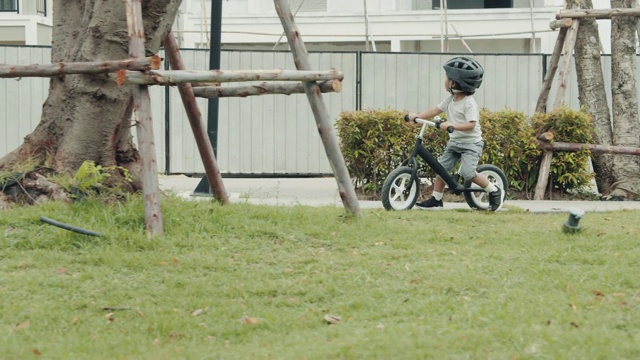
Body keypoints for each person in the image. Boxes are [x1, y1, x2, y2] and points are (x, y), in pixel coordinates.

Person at [406, 56, 504, 212]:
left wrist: (452, 125)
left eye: (447, 78)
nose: (445, 80)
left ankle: (494, 190)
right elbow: (435, 110)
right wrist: (417, 116)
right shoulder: (450, 99)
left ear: (455, 82)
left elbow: (471, 125)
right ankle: (436, 200)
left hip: (471, 144)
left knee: (468, 173)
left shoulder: (469, 103)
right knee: (441, 168)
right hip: (455, 142)